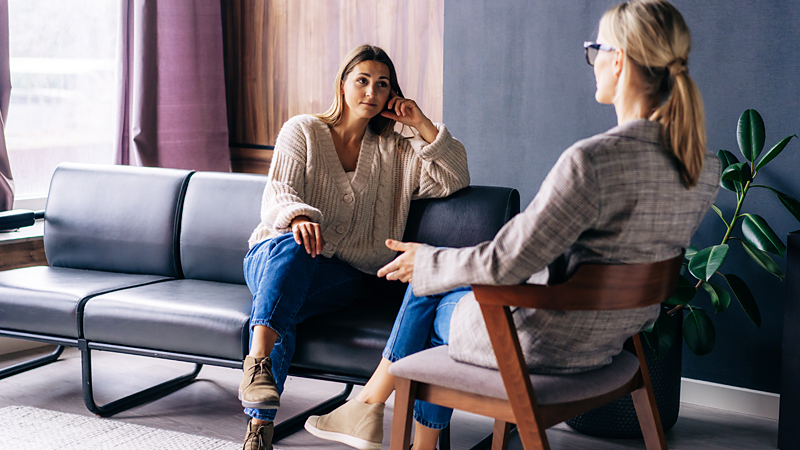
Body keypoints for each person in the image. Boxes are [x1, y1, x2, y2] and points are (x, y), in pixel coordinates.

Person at [304, 1, 721, 449]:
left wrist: (428, 261)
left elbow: (507, 262)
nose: (592, 59)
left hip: (541, 342)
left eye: (594, 48)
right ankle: (375, 414)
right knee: (433, 281)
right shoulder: (702, 166)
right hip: (610, 340)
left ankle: (369, 410)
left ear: (617, 59)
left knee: (425, 287)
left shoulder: (593, 161)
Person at [240, 44, 470, 450]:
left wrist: (422, 124)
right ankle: (257, 366)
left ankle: (260, 428)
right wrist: (298, 217)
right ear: (342, 85)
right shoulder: (304, 129)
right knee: (294, 254)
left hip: (341, 275)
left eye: (382, 85)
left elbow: (454, 178)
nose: (371, 91)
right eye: (361, 80)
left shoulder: (397, 151)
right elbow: (278, 191)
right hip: (274, 254)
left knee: (285, 307)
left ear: (391, 95)